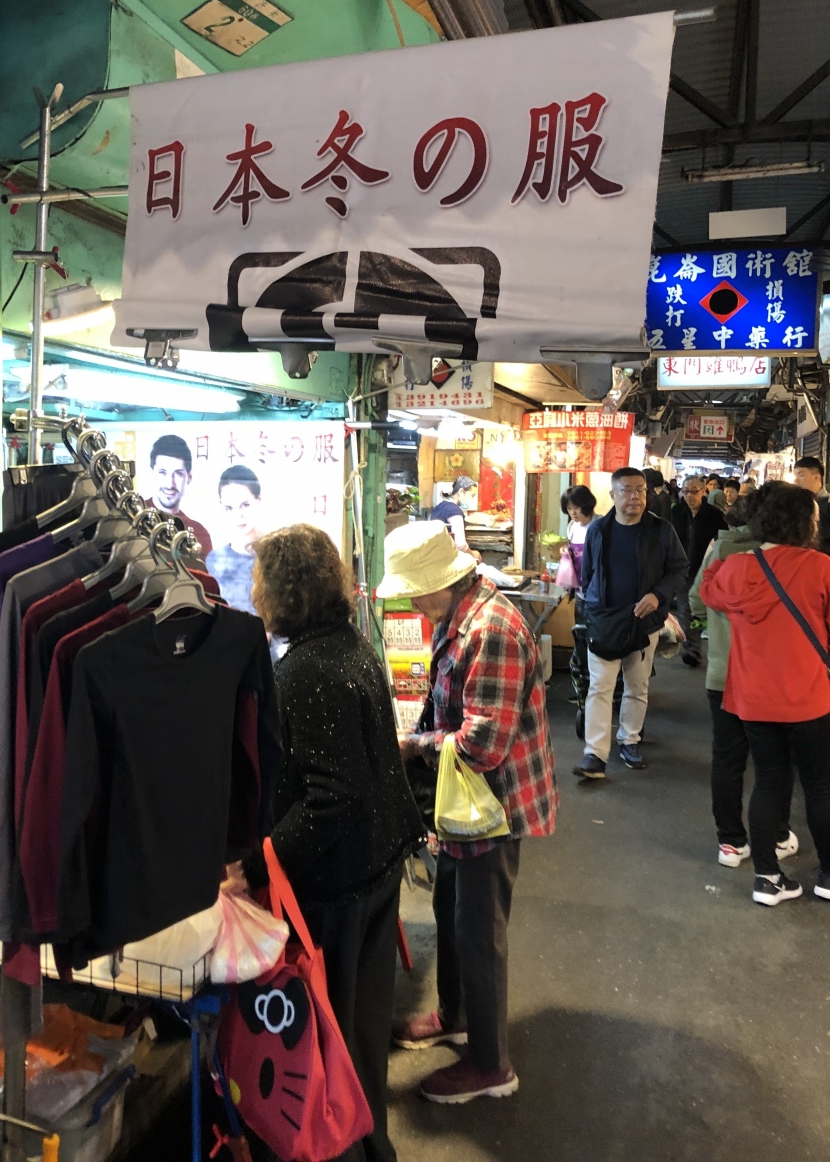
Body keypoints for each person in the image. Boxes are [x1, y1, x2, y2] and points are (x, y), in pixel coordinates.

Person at [227, 524, 424, 1162]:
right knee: (361, 1037)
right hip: (374, 869)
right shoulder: (347, 646)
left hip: (338, 888)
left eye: (260, 580)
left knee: (326, 1047)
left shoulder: (307, 670)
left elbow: (332, 796)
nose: (253, 591)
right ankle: (371, 1148)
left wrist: (258, 862)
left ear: (283, 590)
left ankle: (341, 1150)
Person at [382, 522, 556, 1104]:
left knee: (480, 932)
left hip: (492, 804)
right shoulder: (456, 618)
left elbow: (483, 745)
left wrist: (413, 747)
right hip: (463, 802)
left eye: (415, 591)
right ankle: (456, 1015)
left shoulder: (492, 629)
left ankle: (490, 1064)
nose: (411, 603)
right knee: (451, 911)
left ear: (444, 581)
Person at [702, 482, 830, 906]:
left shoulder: (737, 567)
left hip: (754, 698)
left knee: (768, 782)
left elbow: (708, 591)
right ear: (803, 521)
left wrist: (718, 560)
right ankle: (828, 877)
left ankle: (768, 880)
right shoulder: (821, 567)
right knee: (819, 785)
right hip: (810, 695)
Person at [690, 492, 798, 869]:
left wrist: (720, 626)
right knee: (775, 762)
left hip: (722, 673)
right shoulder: (789, 559)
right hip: (770, 677)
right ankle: (778, 835)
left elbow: (696, 600)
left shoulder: (719, 551)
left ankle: (731, 843)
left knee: (727, 758)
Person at [573, 466, 688, 779]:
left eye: (640, 490)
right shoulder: (598, 530)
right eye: (626, 490)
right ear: (613, 494)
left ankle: (629, 740)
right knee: (600, 688)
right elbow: (588, 575)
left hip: (644, 622)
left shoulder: (661, 530)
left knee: (637, 686)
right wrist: (593, 609)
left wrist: (657, 595)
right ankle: (594, 754)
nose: (635, 496)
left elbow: (679, 569)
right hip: (605, 622)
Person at [670, 475, 729, 667]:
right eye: (685, 491)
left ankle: (713, 649)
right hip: (683, 570)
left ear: (703, 491)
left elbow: (722, 542)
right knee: (685, 610)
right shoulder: (676, 513)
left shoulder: (714, 515)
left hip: (708, 571)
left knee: (705, 611)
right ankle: (692, 649)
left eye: (694, 491)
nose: (689, 496)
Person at [561, 485, 597, 739]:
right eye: (569, 509)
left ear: (587, 505)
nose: (572, 513)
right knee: (580, 643)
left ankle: (597, 690)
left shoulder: (599, 526)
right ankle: (583, 690)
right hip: (581, 593)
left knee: (596, 644)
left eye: (575, 507)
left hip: (596, 596)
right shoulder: (573, 527)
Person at [207, 465, 263, 614]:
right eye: (229, 508)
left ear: (258, 500)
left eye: (245, 505)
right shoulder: (215, 561)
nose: (238, 515)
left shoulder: (279, 555)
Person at [145, 434, 213, 556]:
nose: (169, 484)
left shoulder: (199, 535)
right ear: (152, 474)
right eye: (162, 472)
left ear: (189, 477)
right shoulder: (131, 518)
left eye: (178, 474)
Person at [793, 455, 830, 554]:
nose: (796, 480)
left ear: (816, 477)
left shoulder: (827, 503)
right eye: (795, 476)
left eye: (801, 475)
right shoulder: (795, 505)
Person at [430, 475, 477, 552]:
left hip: (435, 552)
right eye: (472, 495)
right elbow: (460, 545)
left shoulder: (440, 506)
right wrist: (472, 553)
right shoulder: (454, 511)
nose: (472, 499)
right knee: (477, 554)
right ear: (461, 492)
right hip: (446, 553)